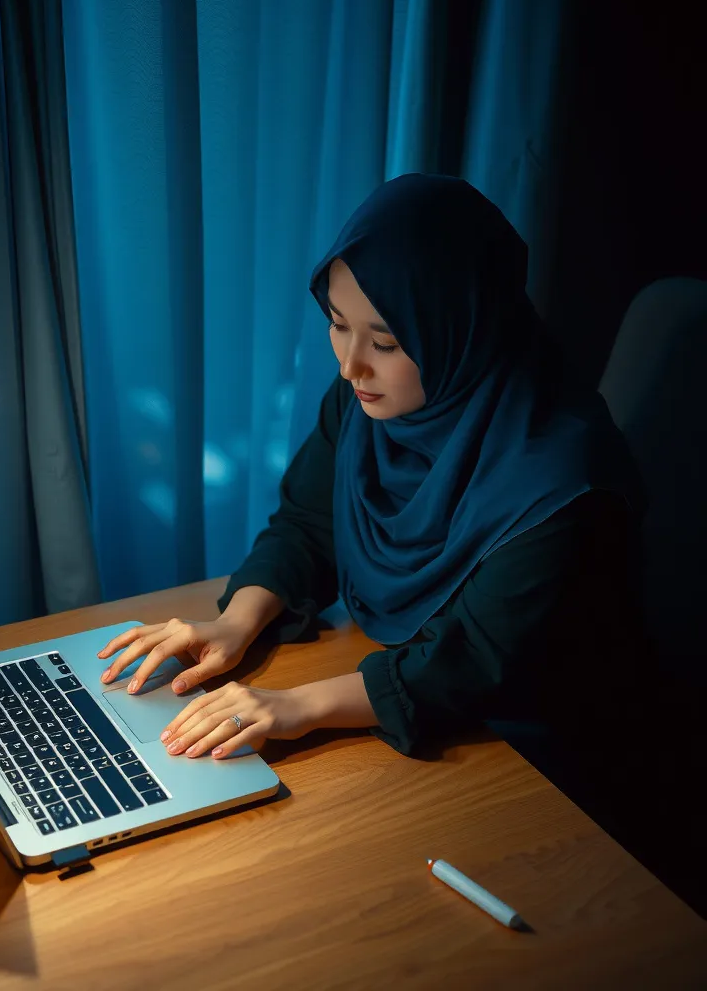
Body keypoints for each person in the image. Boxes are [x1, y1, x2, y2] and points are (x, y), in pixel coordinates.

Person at [96, 174, 646, 792]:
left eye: (385, 341)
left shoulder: (563, 483)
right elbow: (309, 524)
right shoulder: (371, 401)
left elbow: (468, 663)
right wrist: (236, 623)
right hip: (411, 692)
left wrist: (297, 706)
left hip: (537, 756)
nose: (350, 364)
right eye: (337, 325)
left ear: (463, 332)